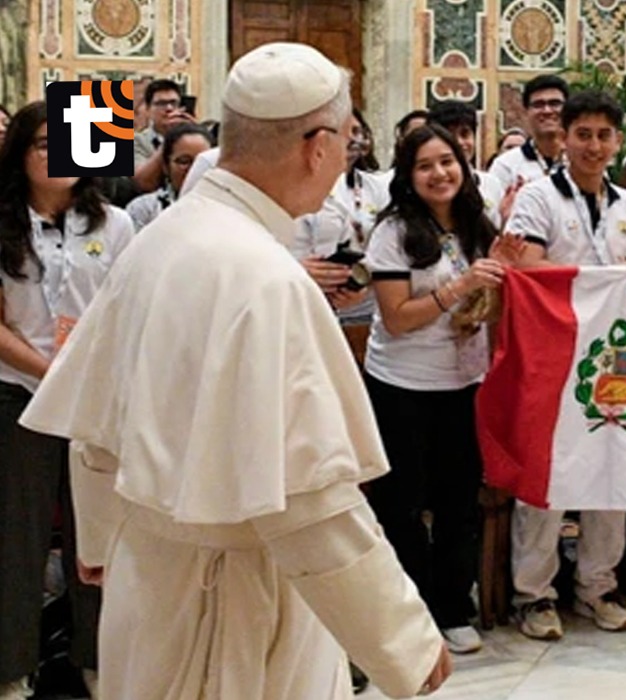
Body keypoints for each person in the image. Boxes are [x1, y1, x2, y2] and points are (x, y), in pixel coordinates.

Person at [17, 42, 450, 699]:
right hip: (233, 604)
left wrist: (100, 541)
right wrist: (405, 643)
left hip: (146, 576)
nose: (345, 160)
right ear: (318, 146)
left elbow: (95, 430)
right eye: (347, 142)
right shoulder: (268, 279)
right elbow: (312, 503)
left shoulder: (160, 238)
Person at [0, 101, 134, 700]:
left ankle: (99, 659)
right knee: (18, 538)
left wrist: (92, 374)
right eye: (43, 143)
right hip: (19, 394)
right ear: (20, 155)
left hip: (98, 400)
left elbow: (131, 309)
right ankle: (12, 667)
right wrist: (54, 371)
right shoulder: (4, 222)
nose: (59, 153)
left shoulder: (115, 223)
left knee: (98, 536)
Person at [505, 90, 626, 641]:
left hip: (612, 356)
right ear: (563, 138)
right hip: (553, 353)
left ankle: (597, 586)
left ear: (618, 141)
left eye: (604, 135)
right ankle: (533, 594)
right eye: (582, 134)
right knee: (549, 473)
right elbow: (527, 268)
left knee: (612, 466)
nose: (593, 146)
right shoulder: (538, 197)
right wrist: (613, 276)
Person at [363, 123, 506, 656]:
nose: (439, 173)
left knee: (458, 500)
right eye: (425, 166)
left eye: (447, 161)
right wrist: (460, 287)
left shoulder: (477, 224)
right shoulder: (394, 231)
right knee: (402, 504)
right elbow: (397, 318)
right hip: (401, 384)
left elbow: (493, 299)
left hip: (464, 381)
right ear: (408, 176)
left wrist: (496, 281)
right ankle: (410, 610)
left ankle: (451, 606)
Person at [292, 107, 390, 360]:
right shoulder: (281, 183)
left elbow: (377, 250)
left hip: (336, 310)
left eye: (356, 132)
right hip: (285, 303)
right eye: (344, 132)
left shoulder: (369, 187)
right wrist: (293, 269)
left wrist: (354, 282)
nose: (351, 140)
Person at [427, 100, 507, 226]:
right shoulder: (427, 183)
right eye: (450, 135)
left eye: (465, 134)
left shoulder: (491, 184)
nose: (459, 142)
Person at [126, 123, 215, 231]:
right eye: (184, 161)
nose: (194, 168)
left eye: (201, 162)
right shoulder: (145, 209)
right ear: (166, 166)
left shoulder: (226, 207)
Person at [489, 74, 568, 192]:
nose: (547, 111)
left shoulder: (581, 160)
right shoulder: (506, 165)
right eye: (538, 104)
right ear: (526, 111)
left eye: (554, 103)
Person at [132, 79, 198, 195]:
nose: (169, 108)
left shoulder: (195, 138)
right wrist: (172, 137)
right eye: (161, 104)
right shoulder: (137, 141)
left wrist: (196, 132)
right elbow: (143, 183)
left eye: (174, 103)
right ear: (148, 109)